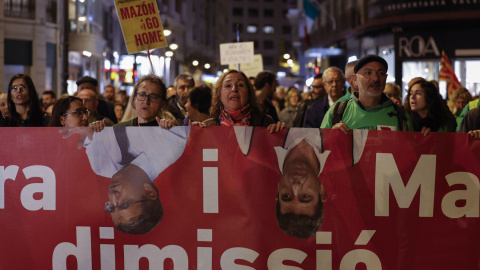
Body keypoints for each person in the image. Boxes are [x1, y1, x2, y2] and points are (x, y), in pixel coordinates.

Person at [61, 125, 191, 234]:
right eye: (125, 204)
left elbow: (83, 129)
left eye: (111, 207)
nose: (113, 197)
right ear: (149, 191)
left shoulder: (101, 166)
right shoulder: (173, 144)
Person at [321, 55, 411, 132]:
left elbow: (411, 150)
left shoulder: (400, 115)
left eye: (381, 73)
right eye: (368, 73)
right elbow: (319, 148)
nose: (375, 78)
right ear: (355, 79)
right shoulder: (337, 112)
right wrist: (331, 136)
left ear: (385, 78)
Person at [274, 128, 330, 238]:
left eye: (286, 196)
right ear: (322, 192)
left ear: (277, 191)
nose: (295, 187)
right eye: (305, 196)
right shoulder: (350, 151)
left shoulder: (251, 146)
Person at [203, 69, 281, 129]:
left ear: (248, 93)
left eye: (240, 85)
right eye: (228, 86)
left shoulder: (266, 123)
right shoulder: (207, 127)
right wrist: (194, 136)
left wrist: (280, 135)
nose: (234, 89)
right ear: (219, 94)